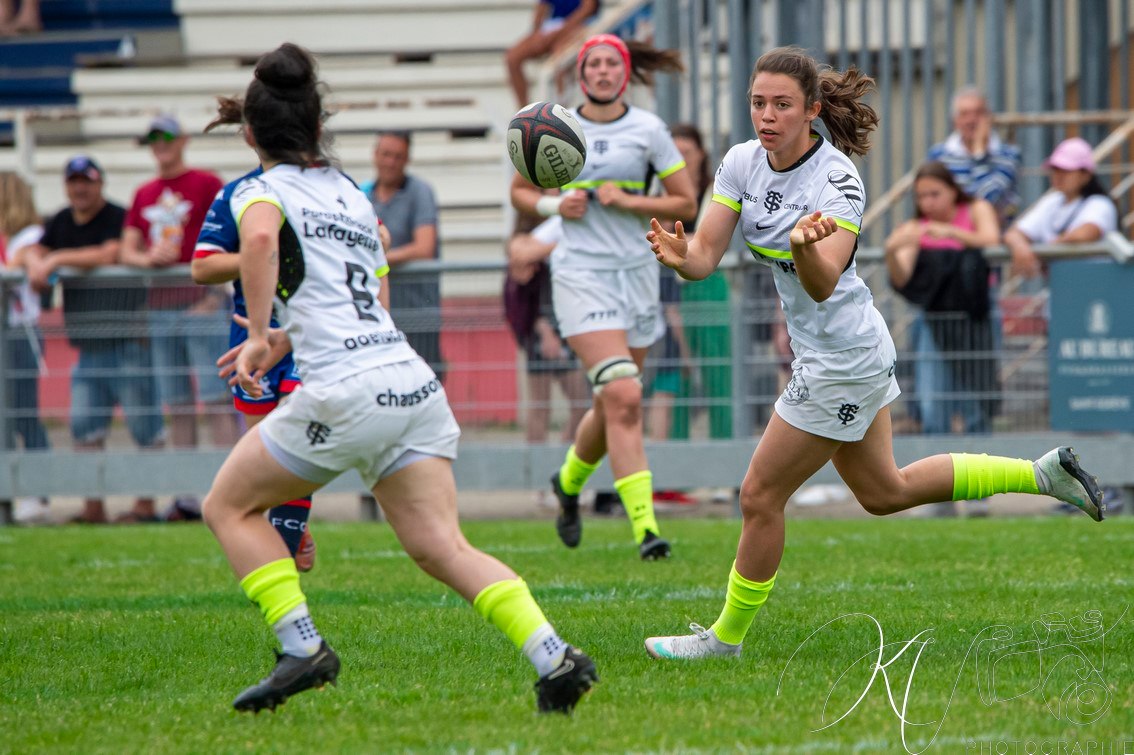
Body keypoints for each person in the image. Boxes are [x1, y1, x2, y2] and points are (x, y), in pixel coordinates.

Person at [641, 46, 1105, 661]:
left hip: (844, 360)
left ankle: (724, 640)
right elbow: (704, 255)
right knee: (885, 491)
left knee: (758, 495)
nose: (767, 116)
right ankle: (1042, 474)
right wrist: (682, 260)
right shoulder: (738, 164)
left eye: (782, 104)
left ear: (811, 111)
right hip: (832, 352)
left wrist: (807, 247)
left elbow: (823, 281)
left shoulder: (837, 178)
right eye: (758, 103)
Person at [199, 43, 597, 714]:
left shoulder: (257, 190)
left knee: (226, 505)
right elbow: (363, 297)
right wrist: (290, 337)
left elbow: (261, 243)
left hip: (345, 391)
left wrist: (262, 333)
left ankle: (302, 645)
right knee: (445, 546)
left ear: (249, 132)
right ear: (318, 125)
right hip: (410, 384)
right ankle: (555, 657)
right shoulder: (351, 194)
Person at [510, 33, 698, 559]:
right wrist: (553, 209)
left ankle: (568, 483)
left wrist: (632, 201)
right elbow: (519, 192)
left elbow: (685, 199)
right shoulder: (555, 124)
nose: (601, 71)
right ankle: (646, 529)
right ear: (580, 74)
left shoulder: (649, 130)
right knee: (623, 394)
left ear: (625, 71)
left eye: (611, 63)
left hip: (636, 275)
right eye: (592, 63)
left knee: (611, 400)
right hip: (580, 275)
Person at [24, 156, 165, 524]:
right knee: (84, 426)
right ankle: (93, 507)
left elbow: (111, 252)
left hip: (129, 341)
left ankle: (146, 505)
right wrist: (39, 261)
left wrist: (54, 260)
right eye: (73, 181)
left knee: (143, 427)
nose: (79, 188)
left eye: (85, 181)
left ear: (100, 183)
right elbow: (32, 249)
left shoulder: (119, 216)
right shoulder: (60, 221)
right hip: (87, 347)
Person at [191, 166, 318, 570]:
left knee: (293, 438)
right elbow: (203, 267)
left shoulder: (333, 186)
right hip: (251, 339)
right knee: (268, 458)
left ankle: (286, 538)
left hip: (310, 337)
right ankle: (291, 518)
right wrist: (261, 258)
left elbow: (379, 238)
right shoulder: (240, 193)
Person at [119, 114, 234, 520]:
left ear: (182, 140)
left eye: (166, 136)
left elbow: (226, 236)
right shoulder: (144, 192)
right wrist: (148, 259)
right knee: (179, 402)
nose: (160, 143)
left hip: (200, 304)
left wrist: (214, 293)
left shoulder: (206, 183)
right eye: (153, 137)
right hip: (162, 307)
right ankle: (186, 495)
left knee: (217, 399)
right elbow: (127, 249)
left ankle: (227, 489)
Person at [885, 161, 1001, 436]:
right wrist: (891, 250)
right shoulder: (916, 228)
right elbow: (902, 277)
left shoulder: (975, 209)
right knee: (933, 396)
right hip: (935, 317)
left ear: (952, 190)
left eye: (934, 194)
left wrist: (950, 232)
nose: (927, 203)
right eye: (921, 196)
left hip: (977, 315)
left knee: (977, 391)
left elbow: (991, 239)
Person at [665, 123, 734, 443]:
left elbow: (712, 242)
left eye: (687, 153)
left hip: (708, 289)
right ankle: (680, 473)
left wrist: (687, 242)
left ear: (701, 155)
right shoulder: (665, 196)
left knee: (718, 377)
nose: (681, 160)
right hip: (674, 296)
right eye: (674, 154)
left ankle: (724, 462)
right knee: (679, 376)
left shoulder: (715, 190)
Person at [360, 131, 445, 381]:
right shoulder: (362, 196)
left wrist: (377, 258)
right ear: (375, 155)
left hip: (419, 313)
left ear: (407, 159)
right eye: (386, 154)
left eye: (398, 156)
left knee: (424, 382)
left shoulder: (420, 192)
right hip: (377, 314)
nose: (390, 162)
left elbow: (424, 248)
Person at [505, 214, 588, 449]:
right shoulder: (525, 240)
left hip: (564, 328)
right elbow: (525, 295)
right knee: (540, 406)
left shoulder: (559, 225)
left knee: (580, 402)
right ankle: (536, 472)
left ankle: (562, 459)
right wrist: (543, 331)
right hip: (539, 332)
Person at [0, 171, 51, 524]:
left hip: (20, 334)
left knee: (23, 414)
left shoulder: (29, 237)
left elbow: (31, 267)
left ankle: (38, 489)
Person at [1003, 137, 1118, 280]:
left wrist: (1045, 253)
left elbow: (1086, 233)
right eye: (1056, 169)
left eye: (1067, 170)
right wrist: (1020, 247)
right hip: (1061, 289)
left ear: (1086, 175)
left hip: (1096, 289)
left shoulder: (1100, 203)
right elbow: (1014, 233)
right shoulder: (1051, 202)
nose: (1059, 175)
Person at [927, 86, 1021, 226]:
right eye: (964, 114)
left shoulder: (1009, 154)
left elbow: (989, 199)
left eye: (978, 113)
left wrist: (979, 154)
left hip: (995, 238)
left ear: (989, 117)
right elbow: (932, 201)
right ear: (955, 121)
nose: (971, 120)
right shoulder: (939, 154)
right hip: (949, 235)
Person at [505, 0, 599, 107]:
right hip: (553, 26)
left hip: (581, 25)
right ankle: (524, 110)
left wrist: (559, 32)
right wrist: (537, 34)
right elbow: (541, 8)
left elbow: (588, 9)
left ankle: (562, 109)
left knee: (560, 58)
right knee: (512, 57)